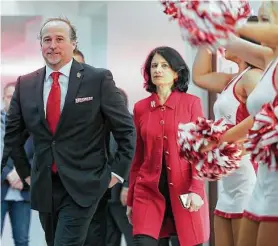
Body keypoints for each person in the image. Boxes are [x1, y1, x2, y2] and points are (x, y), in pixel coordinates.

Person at [1, 17, 135, 246]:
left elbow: (126, 131)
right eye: (47, 40)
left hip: (85, 184)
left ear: (73, 44)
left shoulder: (98, 79)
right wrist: (25, 172)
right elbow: (13, 136)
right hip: (44, 185)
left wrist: (117, 174)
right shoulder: (26, 84)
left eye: (59, 39)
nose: (52, 45)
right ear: (41, 45)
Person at [202, 2, 278, 245]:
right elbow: (259, 117)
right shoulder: (268, 59)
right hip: (262, 185)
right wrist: (204, 21)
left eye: (266, 20)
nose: (260, 26)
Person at [126, 46, 209, 246]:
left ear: (176, 73)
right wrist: (130, 200)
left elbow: (199, 151)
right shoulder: (140, 108)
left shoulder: (191, 103)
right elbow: (138, 156)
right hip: (148, 191)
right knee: (142, 242)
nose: (158, 70)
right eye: (154, 66)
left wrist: (197, 189)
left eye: (164, 65)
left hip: (185, 191)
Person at [192, 16, 263, 246]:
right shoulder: (234, 79)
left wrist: (220, 140)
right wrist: (206, 33)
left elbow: (262, 116)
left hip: (247, 175)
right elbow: (199, 76)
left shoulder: (254, 77)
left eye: (232, 36)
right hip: (228, 180)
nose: (226, 41)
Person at [1, 82, 33, 246]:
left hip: (23, 192)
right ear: (3, 98)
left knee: (22, 240)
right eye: (8, 96)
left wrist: (21, 174)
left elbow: (40, 155)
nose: (12, 100)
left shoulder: (33, 125)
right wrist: (8, 173)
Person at [106, 88, 133, 246]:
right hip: (106, 195)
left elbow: (133, 157)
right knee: (109, 239)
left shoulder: (130, 125)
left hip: (123, 194)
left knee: (131, 237)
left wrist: (128, 186)